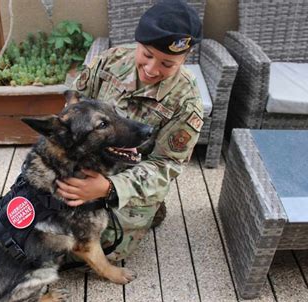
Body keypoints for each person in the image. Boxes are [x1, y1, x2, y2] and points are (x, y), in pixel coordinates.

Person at [56, 0, 204, 262]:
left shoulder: (187, 102)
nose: (151, 69)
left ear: (185, 58)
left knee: (93, 246)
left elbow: (165, 164)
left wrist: (108, 188)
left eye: (167, 64)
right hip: (90, 161)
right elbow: (75, 101)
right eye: (146, 55)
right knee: (35, 221)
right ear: (138, 43)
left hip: (130, 178)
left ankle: (150, 209)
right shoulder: (111, 60)